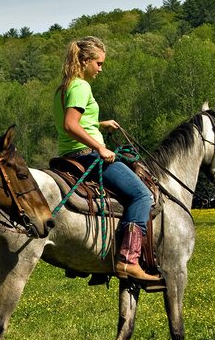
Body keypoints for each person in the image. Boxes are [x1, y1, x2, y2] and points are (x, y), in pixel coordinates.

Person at [51, 36, 159, 284]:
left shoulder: (63, 88)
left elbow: (75, 122)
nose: (100, 69)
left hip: (68, 155)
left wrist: (100, 124)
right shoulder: (81, 87)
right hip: (86, 155)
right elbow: (70, 125)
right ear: (85, 61)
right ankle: (129, 260)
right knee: (142, 195)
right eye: (98, 63)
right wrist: (100, 146)